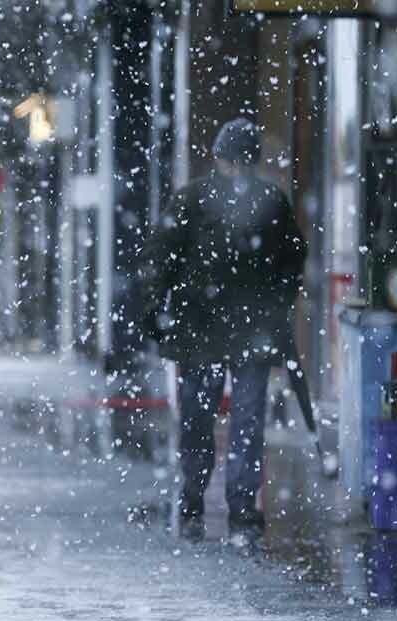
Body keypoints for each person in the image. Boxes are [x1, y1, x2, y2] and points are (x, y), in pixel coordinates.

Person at [140, 118, 307, 547]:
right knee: (245, 420)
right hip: (246, 329)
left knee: (201, 416)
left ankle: (195, 499)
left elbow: (161, 261)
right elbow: (293, 259)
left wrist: (152, 312)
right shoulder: (268, 200)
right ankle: (240, 506)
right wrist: (277, 302)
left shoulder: (192, 200)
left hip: (201, 329)